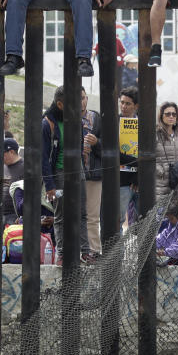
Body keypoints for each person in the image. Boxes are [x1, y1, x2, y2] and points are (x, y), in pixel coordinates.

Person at [41, 86, 91, 260]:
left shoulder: (76, 121)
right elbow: (43, 158)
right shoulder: (48, 124)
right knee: (61, 215)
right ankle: (61, 254)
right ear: (61, 104)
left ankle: (85, 251)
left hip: (78, 172)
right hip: (59, 173)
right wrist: (50, 185)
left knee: (82, 213)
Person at [81, 87, 102, 256]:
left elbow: (109, 148)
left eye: (82, 98)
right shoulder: (63, 118)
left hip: (93, 174)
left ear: (87, 99)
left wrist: (96, 143)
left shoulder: (96, 118)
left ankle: (94, 250)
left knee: (92, 216)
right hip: (71, 174)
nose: (80, 101)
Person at [118, 87, 139, 227]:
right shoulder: (114, 123)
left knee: (143, 221)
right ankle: (118, 250)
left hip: (139, 181)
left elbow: (150, 154)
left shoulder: (143, 125)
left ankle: (142, 250)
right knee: (117, 221)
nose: (124, 106)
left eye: (128, 103)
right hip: (120, 180)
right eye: (122, 102)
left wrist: (139, 176)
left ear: (136, 106)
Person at [155, 102, 178, 200]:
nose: (171, 116)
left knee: (177, 213)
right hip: (160, 182)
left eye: (174, 114)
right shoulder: (155, 134)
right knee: (160, 213)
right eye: (167, 114)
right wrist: (160, 170)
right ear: (161, 116)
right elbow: (148, 158)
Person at [1, 138, 24, 226]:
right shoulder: (3, 166)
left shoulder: (25, 167)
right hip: (0, 212)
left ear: (11, 152)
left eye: (3, 154)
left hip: (14, 215)